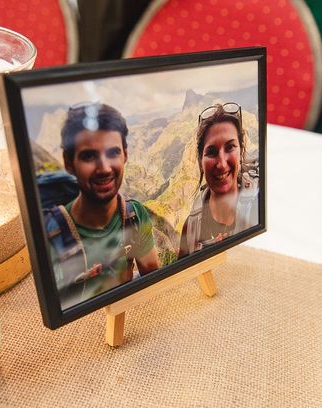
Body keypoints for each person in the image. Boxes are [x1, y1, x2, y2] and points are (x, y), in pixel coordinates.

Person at [44, 103, 159, 310]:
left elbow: (153, 278)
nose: (104, 168)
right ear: (69, 162)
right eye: (89, 156)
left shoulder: (135, 215)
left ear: (125, 154)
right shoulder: (50, 235)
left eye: (113, 153)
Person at [178, 102, 259, 259]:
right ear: (200, 160)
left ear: (241, 150)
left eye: (230, 147)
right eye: (211, 152)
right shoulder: (191, 227)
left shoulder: (258, 200)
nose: (221, 164)